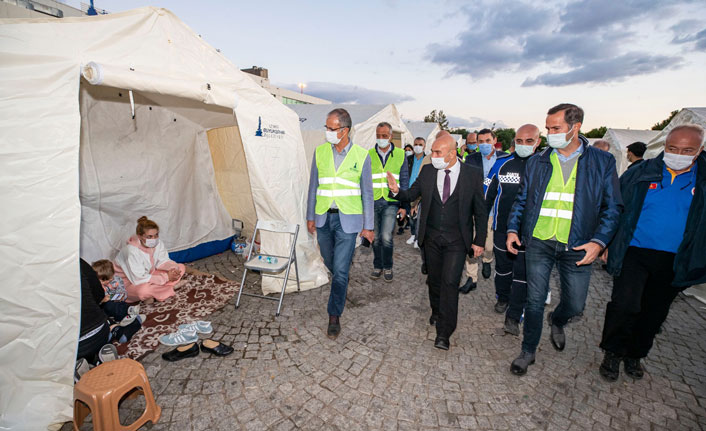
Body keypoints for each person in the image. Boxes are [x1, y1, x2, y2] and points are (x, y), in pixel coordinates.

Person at [506, 103, 622, 375]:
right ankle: (528, 350)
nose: (549, 133)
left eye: (555, 128)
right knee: (534, 300)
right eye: (547, 128)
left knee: (576, 304)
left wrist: (599, 241)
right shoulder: (538, 160)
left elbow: (613, 207)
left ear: (575, 127)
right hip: (539, 241)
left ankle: (557, 320)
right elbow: (522, 200)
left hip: (579, 245)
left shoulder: (601, 162)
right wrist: (513, 229)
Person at [598, 125, 706, 382]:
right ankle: (612, 352)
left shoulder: (702, 181)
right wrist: (606, 242)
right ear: (664, 147)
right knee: (625, 305)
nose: (678, 154)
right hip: (634, 251)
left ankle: (635, 354)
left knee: (654, 311)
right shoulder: (641, 173)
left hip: (676, 258)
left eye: (687, 150)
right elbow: (615, 208)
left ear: (699, 150)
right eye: (672, 148)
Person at [387, 134, 487, 350]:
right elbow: (412, 193)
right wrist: (396, 191)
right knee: (434, 280)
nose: (433, 156)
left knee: (450, 282)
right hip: (431, 238)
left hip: (457, 240)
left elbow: (480, 210)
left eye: (438, 152)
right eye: (432, 151)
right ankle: (436, 310)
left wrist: (479, 240)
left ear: (453, 153)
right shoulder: (428, 171)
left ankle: (444, 331)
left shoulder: (472, 174)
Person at [306, 108, 374, 339]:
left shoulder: (362, 156)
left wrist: (369, 226)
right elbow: (313, 186)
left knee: (341, 270)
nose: (327, 132)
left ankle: (334, 315)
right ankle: (341, 286)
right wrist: (310, 216)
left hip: (349, 220)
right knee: (331, 263)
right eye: (326, 127)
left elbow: (367, 193)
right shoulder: (320, 152)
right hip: (324, 217)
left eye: (331, 128)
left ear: (344, 131)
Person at [484, 124, 541, 328]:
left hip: (532, 233)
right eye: (519, 141)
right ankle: (503, 297)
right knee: (503, 269)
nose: (523, 145)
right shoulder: (501, 164)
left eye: (528, 141)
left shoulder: (543, 165)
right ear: (513, 141)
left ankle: (517, 310)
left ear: (538, 142)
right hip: (502, 227)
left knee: (524, 273)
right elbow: (487, 194)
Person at [461, 129, 508, 292]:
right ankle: (471, 278)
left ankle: (488, 259)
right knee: (471, 243)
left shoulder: (504, 159)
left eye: (487, 140)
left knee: (488, 246)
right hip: (474, 209)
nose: (484, 144)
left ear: (495, 140)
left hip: (494, 210)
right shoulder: (471, 159)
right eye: (480, 141)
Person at [77, 259, 141, 364]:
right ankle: (118, 329)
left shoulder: (114, 282)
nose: (102, 282)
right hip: (98, 322)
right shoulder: (84, 270)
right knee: (106, 311)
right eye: (100, 280)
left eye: (104, 280)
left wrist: (107, 298)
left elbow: (121, 294)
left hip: (106, 311)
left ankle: (127, 316)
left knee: (111, 306)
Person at [369, 122, 409, 281]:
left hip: (392, 202)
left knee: (386, 236)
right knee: (376, 237)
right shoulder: (369, 154)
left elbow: (404, 181)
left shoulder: (400, 154)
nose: (381, 138)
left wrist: (404, 206)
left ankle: (387, 266)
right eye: (378, 135)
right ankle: (377, 265)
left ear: (391, 136)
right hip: (373, 201)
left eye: (384, 136)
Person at [114, 216, 186, 304]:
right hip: (129, 283)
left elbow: (163, 261)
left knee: (180, 267)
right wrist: (166, 277)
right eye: (149, 236)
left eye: (156, 235)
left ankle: (155, 293)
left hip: (148, 275)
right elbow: (138, 279)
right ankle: (168, 288)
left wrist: (173, 269)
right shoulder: (131, 251)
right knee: (143, 291)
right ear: (140, 236)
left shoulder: (157, 243)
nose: (154, 239)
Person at [91, 259, 144, 326]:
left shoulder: (116, 280)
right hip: (104, 306)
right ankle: (129, 313)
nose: (103, 282)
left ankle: (126, 317)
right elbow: (94, 302)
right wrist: (102, 300)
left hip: (117, 302)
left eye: (106, 280)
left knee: (120, 305)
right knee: (109, 306)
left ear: (111, 276)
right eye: (101, 280)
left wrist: (118, 297)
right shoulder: (95, 285)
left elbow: (123, 293)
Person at [406, 137, 430, 248]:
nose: (417, 146)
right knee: (411, 215)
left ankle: (418, 237)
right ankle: (412, 234)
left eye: (420, 144)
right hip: (409, 190)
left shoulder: (427, 159)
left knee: (419, 215)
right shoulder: (408, 159)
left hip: (421, 191)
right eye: (415, 144)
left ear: (424, 146)